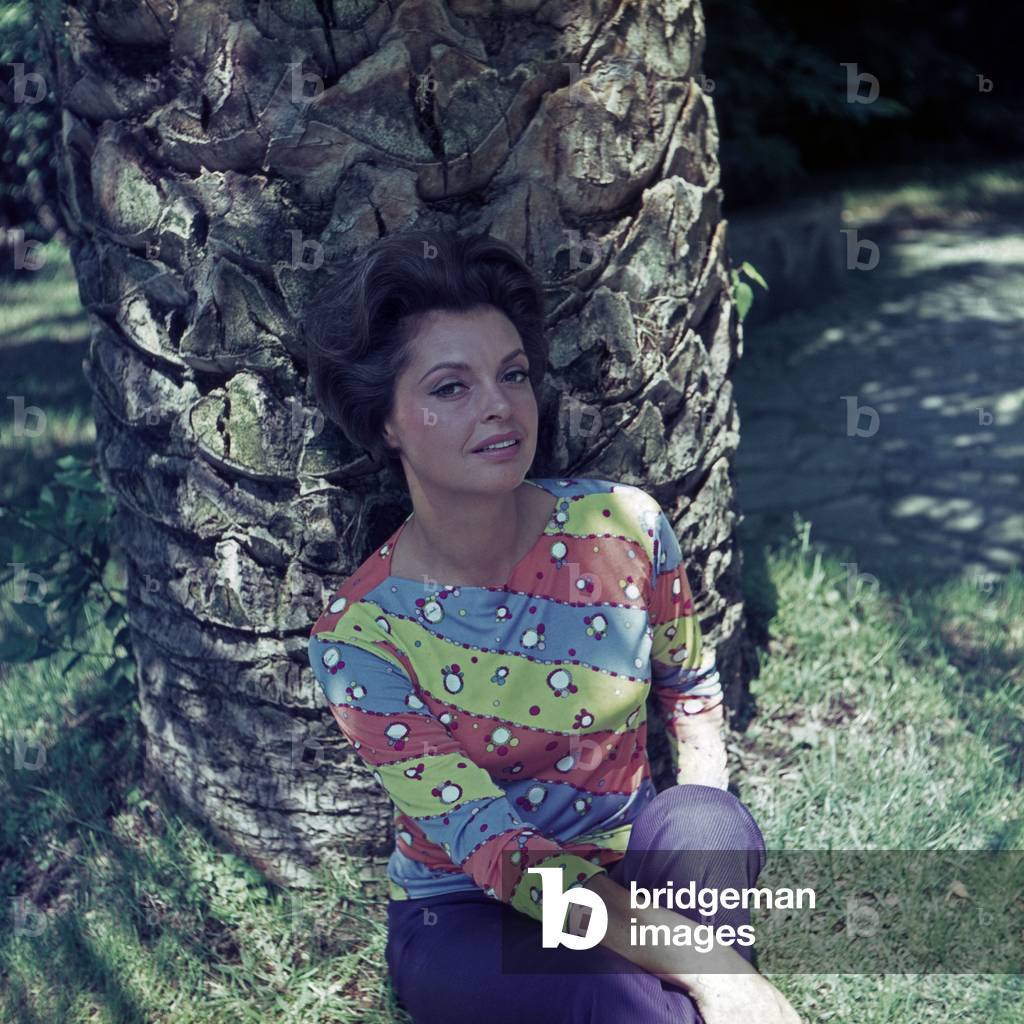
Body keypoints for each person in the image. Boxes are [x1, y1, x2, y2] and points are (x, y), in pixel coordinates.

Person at [304, 229, 803, 1023]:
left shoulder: (626, 525)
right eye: (450, 388)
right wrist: (718, 971)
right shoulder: (362, 637)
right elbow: (502, 856)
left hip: (627, 862)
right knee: (617, 999)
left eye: (511, 375)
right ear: (388, 424)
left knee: (707, 820)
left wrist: (705, 857)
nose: (500, 405)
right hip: (472, 913)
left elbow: (690, 686)